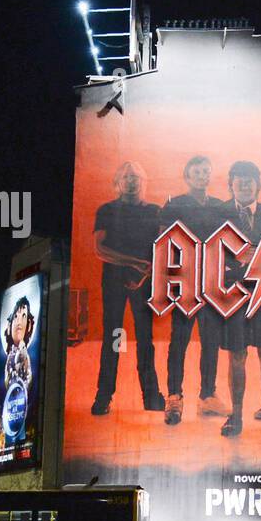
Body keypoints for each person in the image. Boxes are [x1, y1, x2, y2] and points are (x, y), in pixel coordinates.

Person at [159, 155, 229, 426]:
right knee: (180, 341)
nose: (203, 175)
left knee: (210, 340)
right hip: (185, 282)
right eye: (197, 171)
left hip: (211, 282)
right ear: (187, 176)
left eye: (206, 171)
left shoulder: (219, 206)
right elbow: (164, 243)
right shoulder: (174, 204)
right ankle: (174, 397)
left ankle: (208, 396)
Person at [219, 161, 261, 436]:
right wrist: (235, 256)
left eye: (250, 179)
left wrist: (260, 256)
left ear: (258, 185)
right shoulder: (220, 212)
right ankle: (235, 416)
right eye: (239, 179)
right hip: (234, 294)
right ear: (231, 184)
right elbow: (209, 249)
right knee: (237, 354)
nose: (245, 184)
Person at [91, 161, 163, 415]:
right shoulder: (107, 210)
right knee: (114, 338)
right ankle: (104, 395)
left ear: (144, 182)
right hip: (114, 283)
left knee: (145, 339)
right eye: (127, 177)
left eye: (137, 177)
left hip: (144, 283)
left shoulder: (155, 211)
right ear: (118, 182)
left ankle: (151, 396)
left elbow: (162, 248)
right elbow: (100, 250)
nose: (132, 181)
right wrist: (134, 263)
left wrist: (144, 275)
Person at [3, 296, 34, 390]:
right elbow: (7, 379)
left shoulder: (25, 353)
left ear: (28, 325)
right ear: (9, 325)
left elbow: (28, 377)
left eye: (23, 316)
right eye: (16, 317)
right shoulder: (10, 355)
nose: (19, 322)